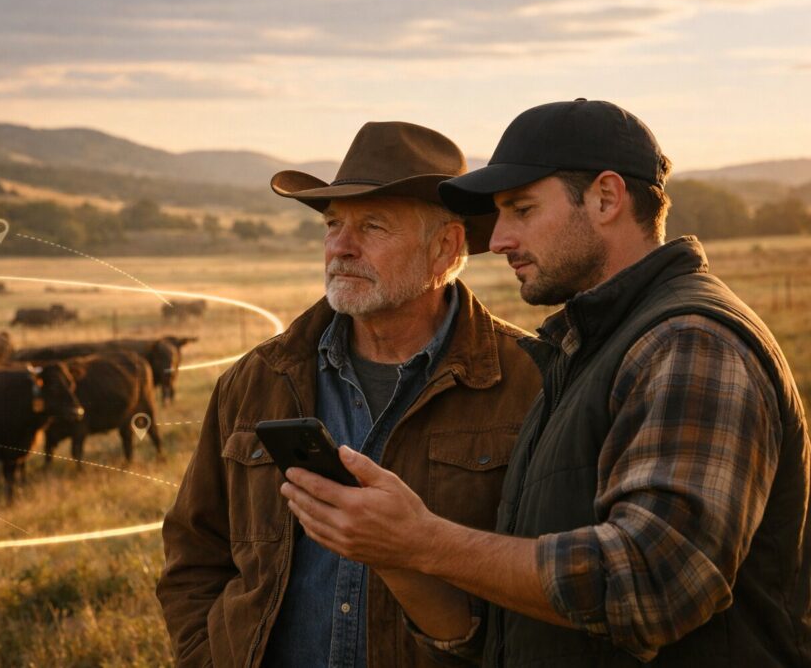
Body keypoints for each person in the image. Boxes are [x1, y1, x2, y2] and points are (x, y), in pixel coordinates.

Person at [281, 99, 810, 667]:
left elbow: (657, 584)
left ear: (606, 198)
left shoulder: (690, 342)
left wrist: (423, 541)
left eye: (521, 209)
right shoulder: (585, 350)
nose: (501, 239)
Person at [156, 121, 542, 667]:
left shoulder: (532, 383)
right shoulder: (257, 380)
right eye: (333, 224)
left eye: (373, 226)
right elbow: (195, 553)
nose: (340, 246)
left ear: (445, 249)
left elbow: (549, 585)